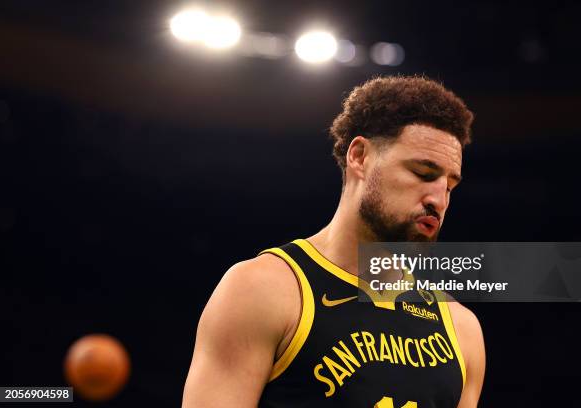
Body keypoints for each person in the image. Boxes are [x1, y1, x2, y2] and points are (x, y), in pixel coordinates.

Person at [182, 75, 485, 408]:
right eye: (423, 174)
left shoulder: (462, 329)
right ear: (359, 156)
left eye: (449, 186)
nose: (438, 200)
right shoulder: (262, 289)